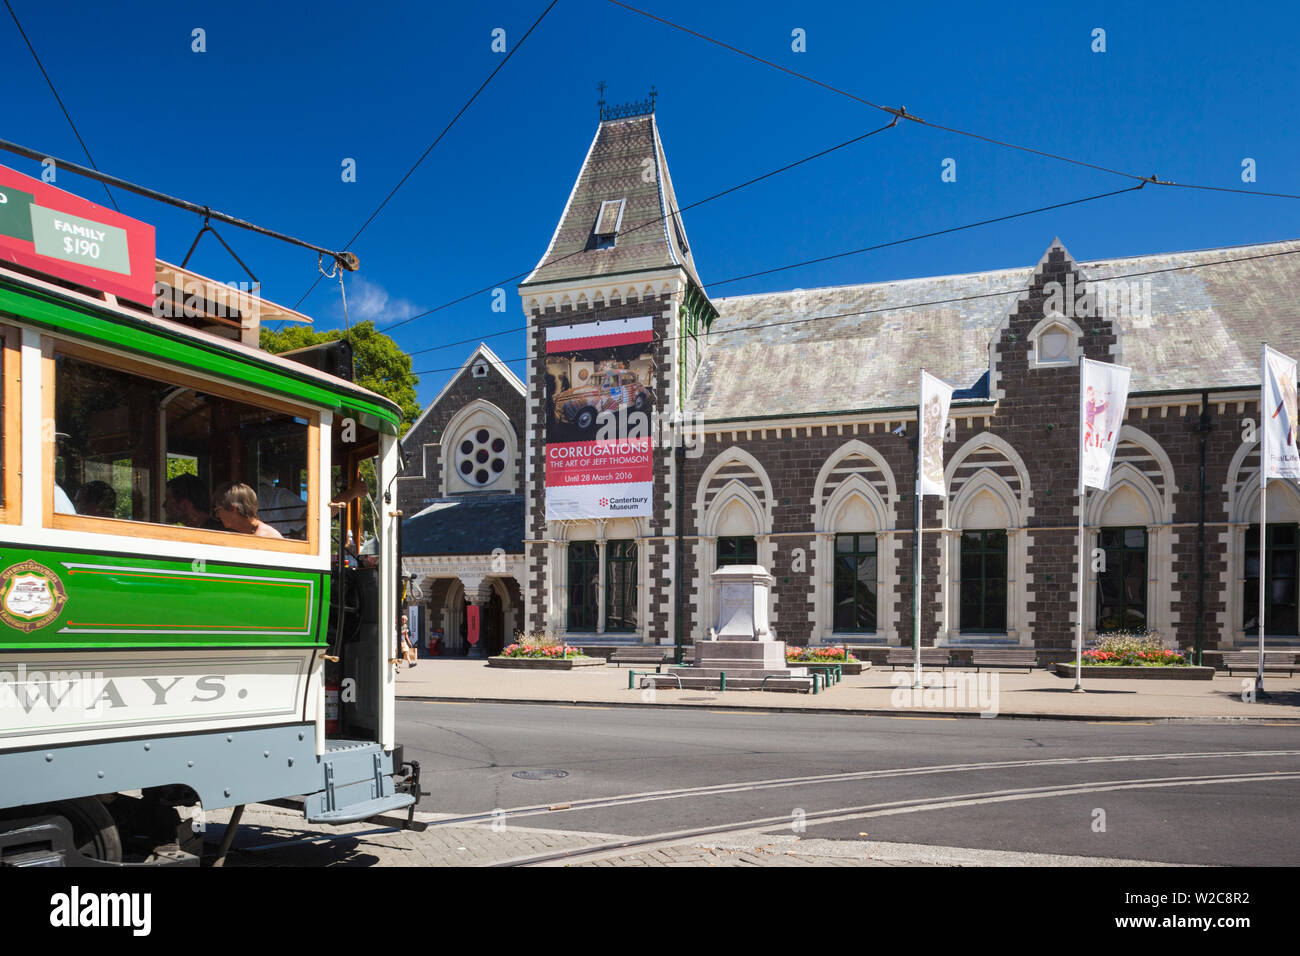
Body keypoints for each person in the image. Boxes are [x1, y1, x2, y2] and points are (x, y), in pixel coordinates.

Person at [211, 481, 283, 538]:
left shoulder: (265, 537)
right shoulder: (247, 533)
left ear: (233, 508)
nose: (217, 515)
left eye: (218, 510)